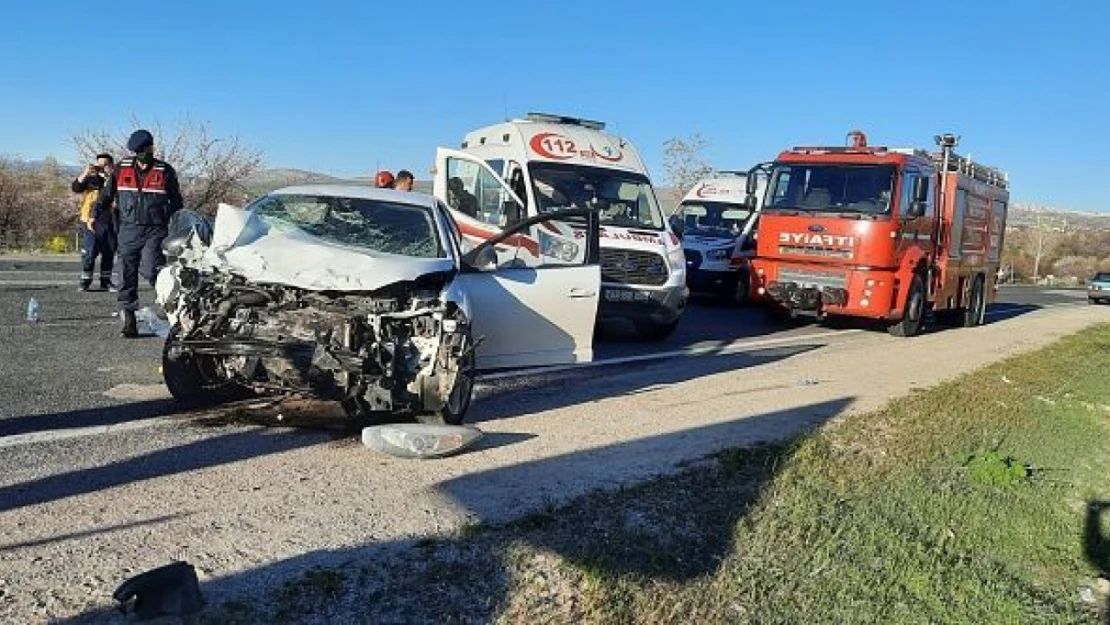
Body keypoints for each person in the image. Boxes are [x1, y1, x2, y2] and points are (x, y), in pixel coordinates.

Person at [94, 129, 183, 338]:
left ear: (151, 148)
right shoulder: (121, 169)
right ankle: (129, 316)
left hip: (156, 229)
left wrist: (176, 222)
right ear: (135, 152)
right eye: (139, 151)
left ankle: (169, 304)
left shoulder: (164, 170)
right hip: (128, 228)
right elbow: (107, 195)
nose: (144, 154)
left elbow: (176, 201)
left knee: (152, 267)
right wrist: (95, 214)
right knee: (126, 271)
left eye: (147, 149)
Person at [71, 153, 116, 291]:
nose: (101, 167)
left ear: (111, 165)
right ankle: (85, 280)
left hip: (110, 221)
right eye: (99, 164)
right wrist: (86, 172)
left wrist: (110, 176)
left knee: (109, 251)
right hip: (89, 220)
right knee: (90, 251)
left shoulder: (115, 180)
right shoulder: (91, 179)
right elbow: (76, 187)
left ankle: (105, 281)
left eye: (105, 164)